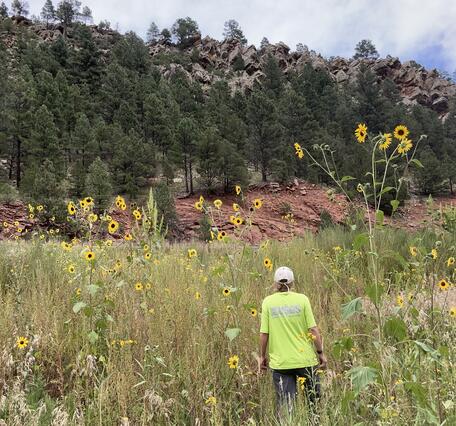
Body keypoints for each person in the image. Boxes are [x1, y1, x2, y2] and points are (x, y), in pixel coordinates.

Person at [259, 266, 327, 413]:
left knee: (287, 409)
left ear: (276, 284)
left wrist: (261, 357)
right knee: (314, 405)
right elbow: (313, 329)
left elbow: (264, 334)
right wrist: (320, 352)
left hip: (281, 364)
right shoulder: (302, 300)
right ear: (292, 283)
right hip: (306, 361)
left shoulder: (268, 302)